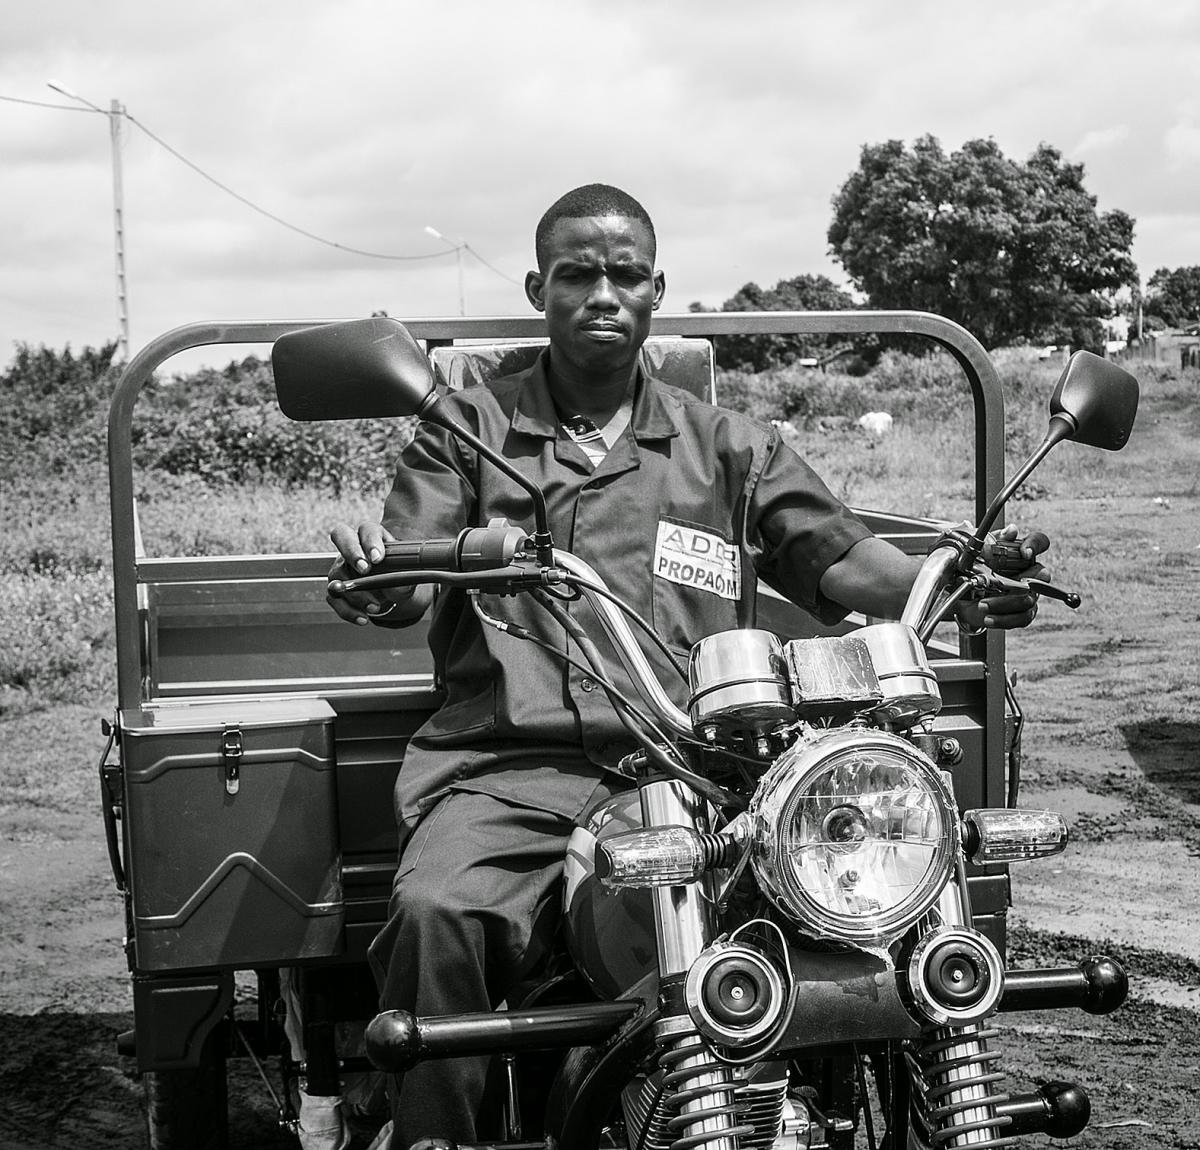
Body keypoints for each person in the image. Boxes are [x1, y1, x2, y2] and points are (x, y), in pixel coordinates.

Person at [327, 183, 1046, 1146]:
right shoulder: (468, 429)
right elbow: (408, 577)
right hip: (508, 767)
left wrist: (949, 576)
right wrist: (379, 579)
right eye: (577, 274)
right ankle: (435, 1134)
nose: (602, 293)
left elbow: (837, 555)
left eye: (624, 274)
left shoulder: (729, 445)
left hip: (701, 770)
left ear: (656, 289)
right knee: (437, 911)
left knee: (839, 901)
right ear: (540, 287)